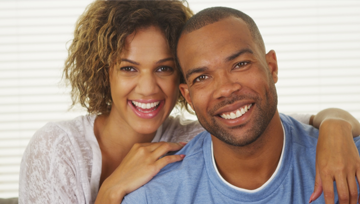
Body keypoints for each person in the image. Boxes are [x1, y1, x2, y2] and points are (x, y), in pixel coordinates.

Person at [18, 1, 359, 204]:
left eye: (164, 68)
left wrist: (337, 128)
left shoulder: (194, 135)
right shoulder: (57, 148)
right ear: (102, 72)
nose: (148, 87)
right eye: (129, 68)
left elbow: (274, 120)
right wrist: (110, 191)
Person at [121, 7, 360, 204]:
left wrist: (336, 123)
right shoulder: (153, 197)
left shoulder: (349, 161)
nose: (225, 89)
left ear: (272, 67)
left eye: (240, 64)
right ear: (188, 97)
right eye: (202, 77)